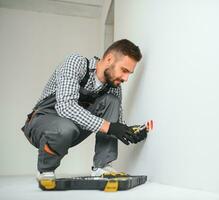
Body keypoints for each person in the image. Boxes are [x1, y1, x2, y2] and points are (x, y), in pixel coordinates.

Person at [21, 39, 147, 182]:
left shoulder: (114, 86)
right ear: (109, 59)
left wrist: (129, 132)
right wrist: (110, 127)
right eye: (124, 70)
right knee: (65, 127)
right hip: (43, 122)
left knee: (112, 101)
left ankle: (102, 167)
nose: (125, 78)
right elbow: (66, 107)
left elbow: (115, 122)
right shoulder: (76, 63)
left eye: (129, 73)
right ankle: (46, 170)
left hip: (73, 128)